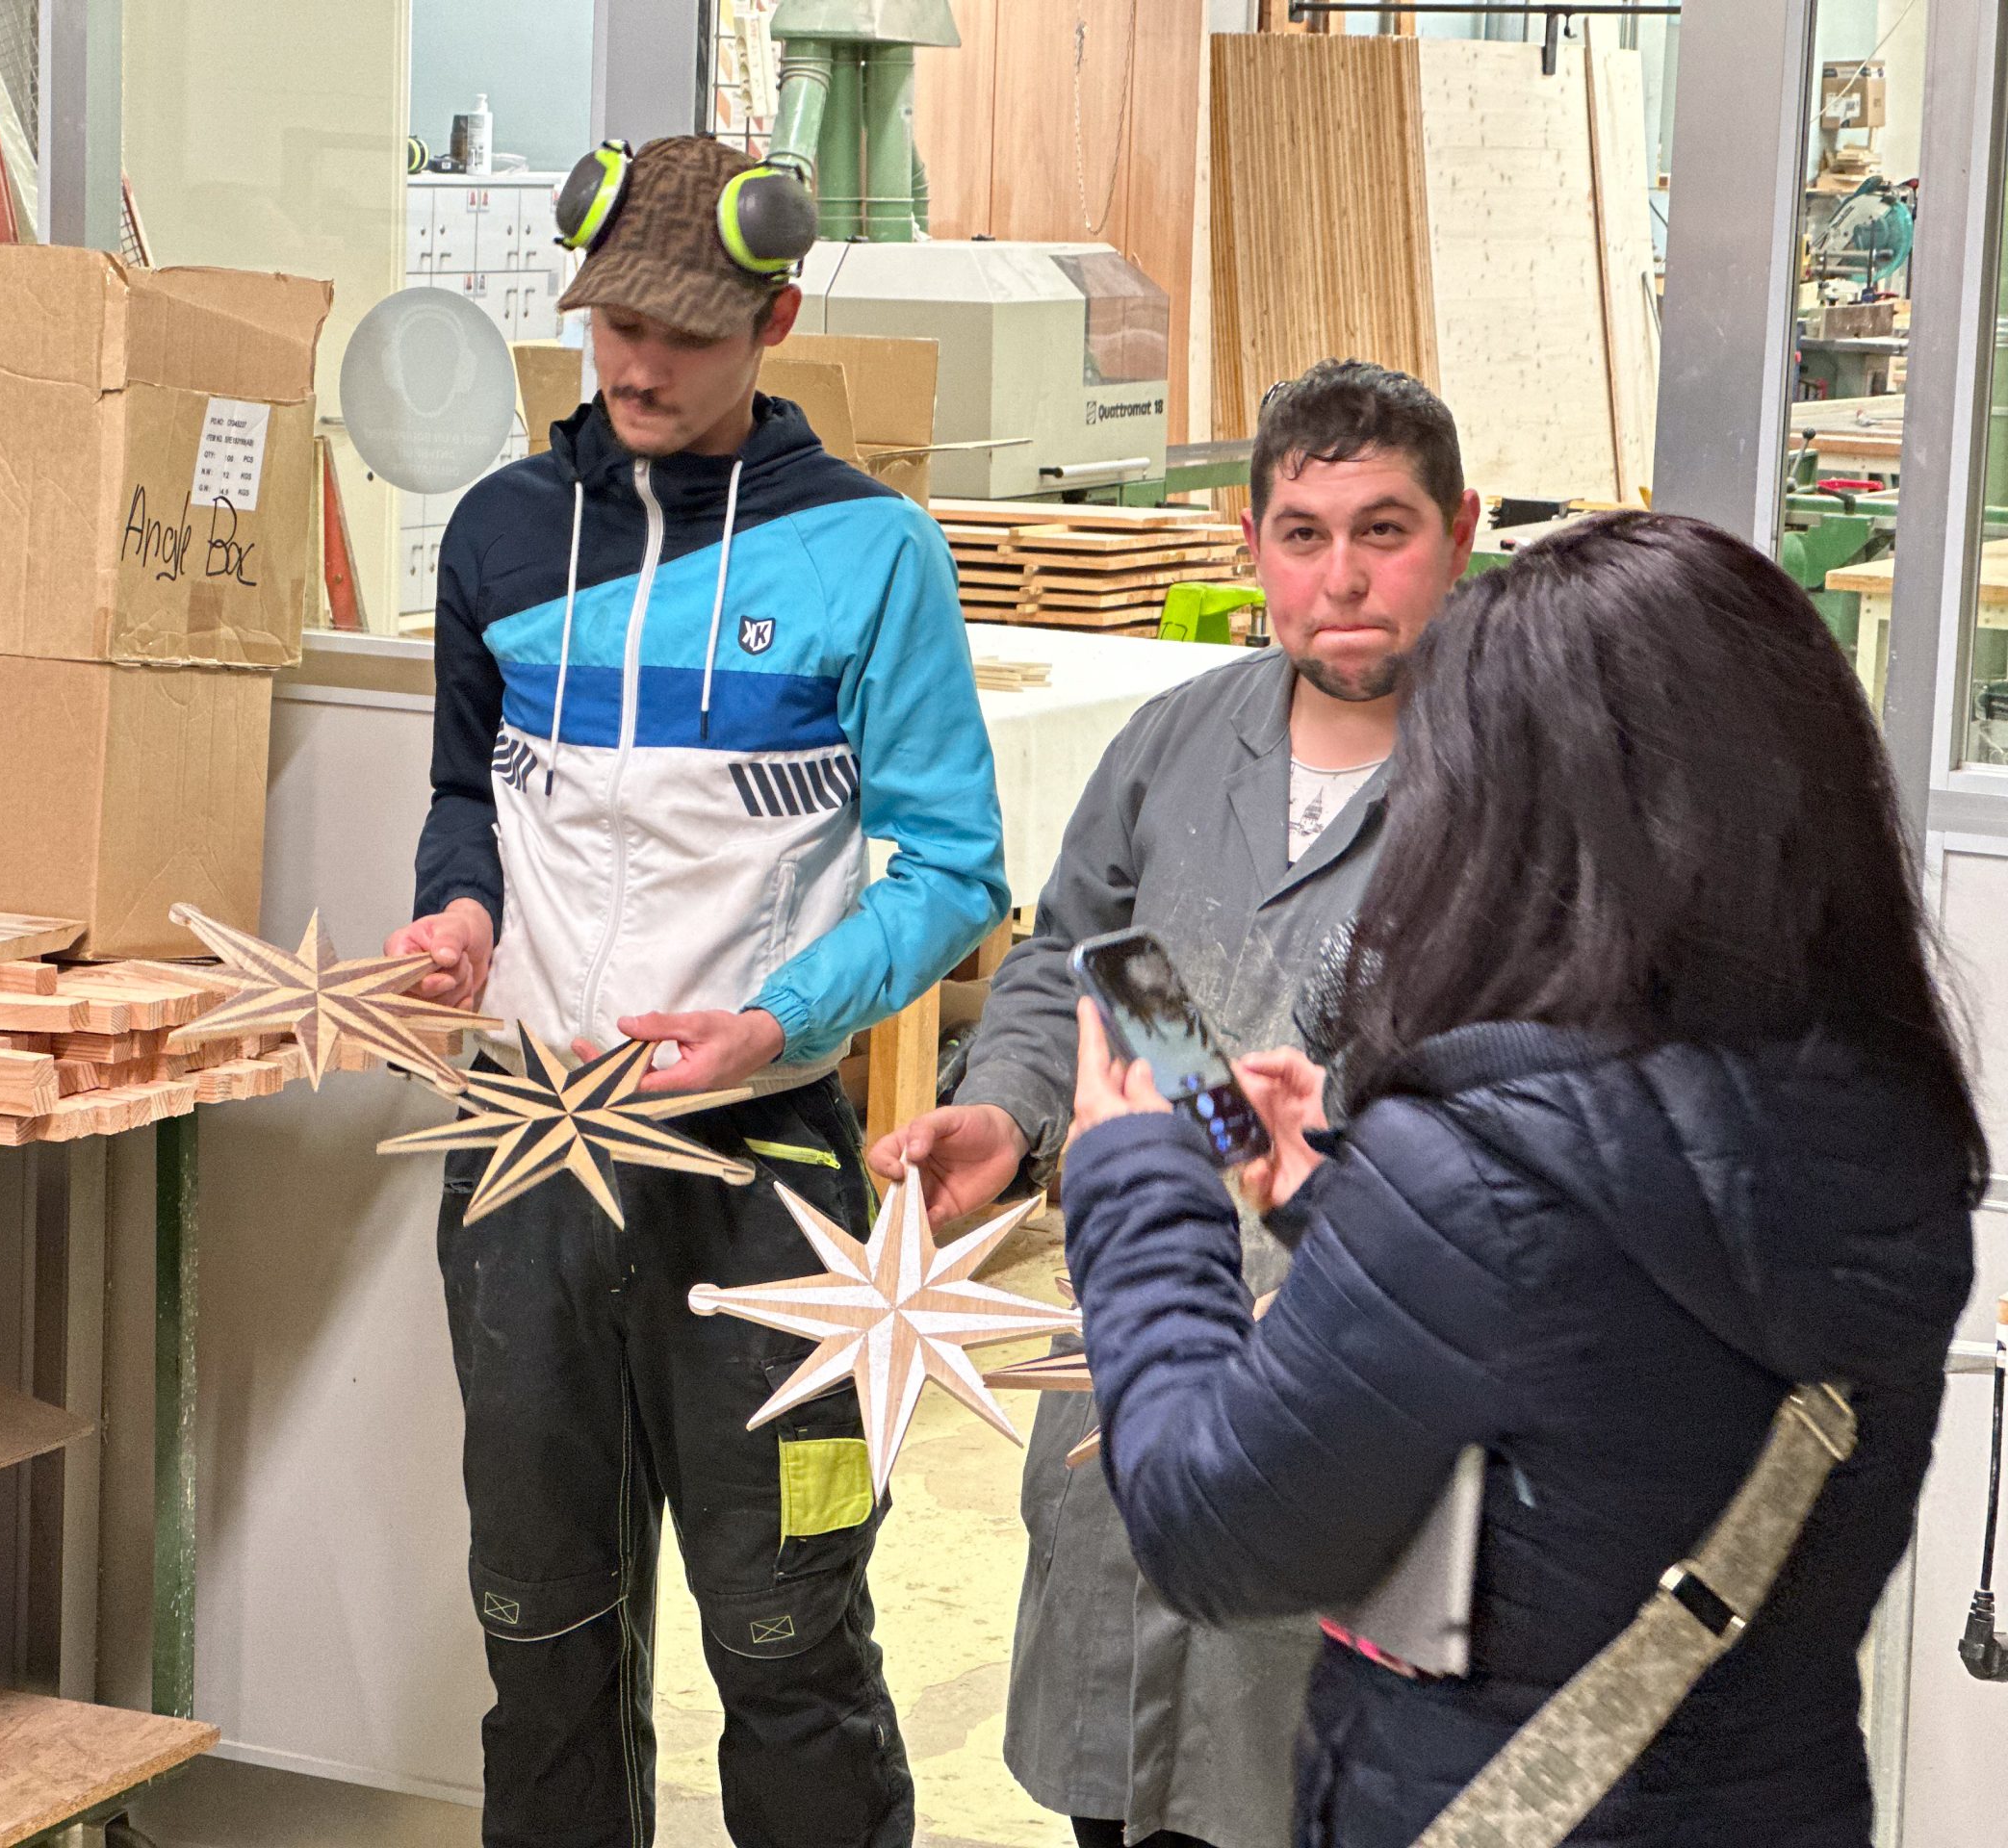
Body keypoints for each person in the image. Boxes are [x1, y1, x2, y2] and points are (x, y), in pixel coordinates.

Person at [1063, 510, 1981, 1848]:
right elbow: (1622, 1327)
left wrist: (1140, 1182)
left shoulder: (1474, 1175)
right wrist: (1343, 1198)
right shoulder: (1891, 1123)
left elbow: (1213, 1530)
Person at [384, 134, 1008, 1848]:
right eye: (616, 325)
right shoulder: (501, 533)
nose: (640, 365)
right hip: (525, 1159)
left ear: (774, 323)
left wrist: (780, 1025)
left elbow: (957, 869)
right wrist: (455, 910)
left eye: (686, 334)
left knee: (788, 1638)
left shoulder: (873, 550)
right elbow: (463, 788)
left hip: (764, 1179)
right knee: (542, 1639)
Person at [870, 359, 1480, 1848]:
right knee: (1123, 1772)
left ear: (1461, 531)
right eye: (1303, 535)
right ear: (1250, 543)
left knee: (1308, 1780)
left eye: (1384, 530)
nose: (1342, 579)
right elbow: (1078, 961)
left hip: (1359, 1357)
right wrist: (1008, 1110)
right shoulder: (1177, 744)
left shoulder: (1520, 783)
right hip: (1135, 1335)